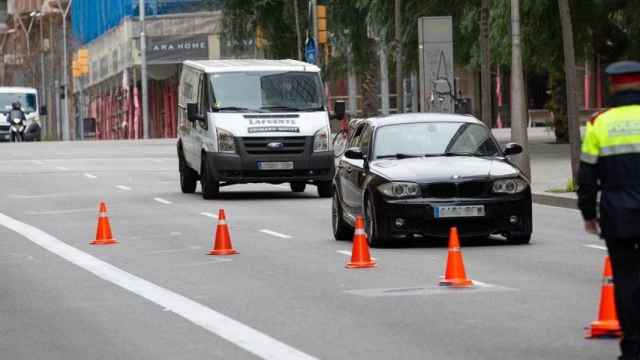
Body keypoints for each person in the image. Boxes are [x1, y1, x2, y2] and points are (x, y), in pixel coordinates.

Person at [578, 60, 640, 360]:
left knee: (626, 281)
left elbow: (587, 175)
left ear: (613, 86)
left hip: (618, 216)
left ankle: (632, 349)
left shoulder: (598, 123)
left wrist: (588, 213)